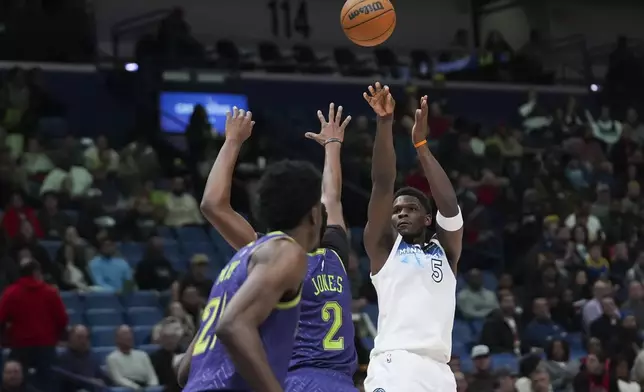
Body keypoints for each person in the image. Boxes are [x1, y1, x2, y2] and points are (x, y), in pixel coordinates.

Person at [200, 104, 358, 391]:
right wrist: (332, 146)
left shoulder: (267, 252)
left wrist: (232, 142)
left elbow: (213, 205)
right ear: (313, 215)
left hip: (294, 380)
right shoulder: (333, 254)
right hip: (335, 381)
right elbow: (332, 197)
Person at [179, 110, 325, 392]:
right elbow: (232, 325)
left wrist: (233, 141)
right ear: (315, 214)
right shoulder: (286, 253)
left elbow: (187, 369)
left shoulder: (241, 260)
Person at [361, 83, 463, 392]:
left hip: (439, 372)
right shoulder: (383, 250)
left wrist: (421, 145)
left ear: (428, 218)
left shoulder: (445, 250)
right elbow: (382, 183)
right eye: (397, 210)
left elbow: (450, 205)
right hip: (396, 364)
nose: (401, 213)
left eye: (411, 208)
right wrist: (385, 122)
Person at [0, 258, 68, 391]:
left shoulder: (11, 292)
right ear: (36, 272)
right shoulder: (50, 292)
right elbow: (62, 319)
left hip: (20, 344)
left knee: (17, 383)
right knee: (49, 383)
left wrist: (5, 338)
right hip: (46, 345)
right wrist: (58, 336)